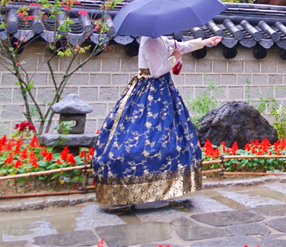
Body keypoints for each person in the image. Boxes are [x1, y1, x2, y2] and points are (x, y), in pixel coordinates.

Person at [93, 34, 222, 207]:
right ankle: (140, 192)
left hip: (164, 92)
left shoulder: (160, 38)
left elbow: (182, 46)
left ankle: (164, 190)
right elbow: (156, 72)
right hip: (149, 94)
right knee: (147, 140)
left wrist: (207, 42)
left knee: (171, 140)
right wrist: (175, 58)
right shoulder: (149, 40)